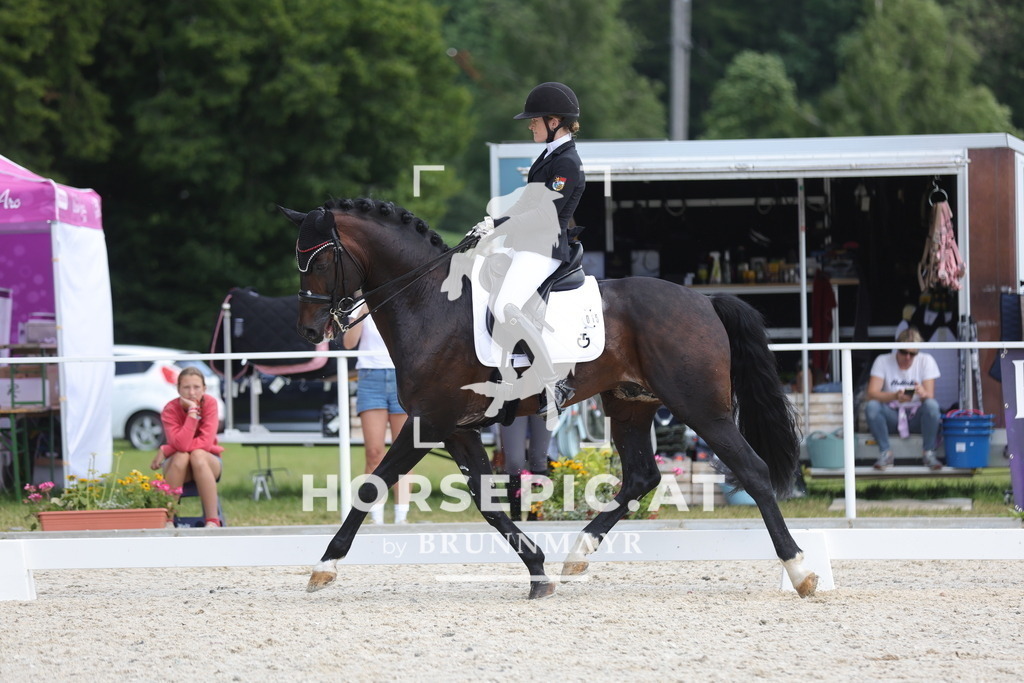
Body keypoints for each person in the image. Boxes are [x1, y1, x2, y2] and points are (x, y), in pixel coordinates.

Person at [488, 81, 587, 418]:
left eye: (535, 120)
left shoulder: (567, 164)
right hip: (524, 246)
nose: (530, 124)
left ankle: (553, 382)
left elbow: (546, 213)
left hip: (543, 248)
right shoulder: (548, 158)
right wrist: (490, 225)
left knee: (506, 304)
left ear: (554, 121)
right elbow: (525, 205)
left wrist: (497, 226)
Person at [344, 303, 410, 524]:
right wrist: (361, 313)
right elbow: (349, 343)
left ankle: (402, 518)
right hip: (370, 377)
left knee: (404, 453)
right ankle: (376, 517)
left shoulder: (402, 296)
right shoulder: (359, 306)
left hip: (402, 375)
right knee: (374, 452)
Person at [150, 366, 224, 527]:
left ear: (204, 388)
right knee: (182, 456)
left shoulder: (210, 404)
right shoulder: (170, 409)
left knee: (197, 454)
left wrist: (166, 449)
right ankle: (167, 520)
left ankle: (212, 521)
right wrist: (192, 413)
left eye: (196, 387)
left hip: (208, 464)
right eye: (186, 387)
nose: (192, 393)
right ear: (178, 389)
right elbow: (182, 446)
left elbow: (205, 443)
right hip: (178, 466)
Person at [865, 327, 942, 470]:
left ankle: (929, 453)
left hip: (916, 416)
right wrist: (894, 396)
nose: (907, 357)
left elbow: (930, 396)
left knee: (932, 405)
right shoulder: (882, 360)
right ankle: (885, 453)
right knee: (872, 406)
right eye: (903, 352)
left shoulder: (926, 360)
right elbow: (871, 393)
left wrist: (922, 393)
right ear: (896, 348)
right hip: (892, 415)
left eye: (912, 354)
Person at [500, 415, 552, 521]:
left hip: (544, 400)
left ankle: (534, 515)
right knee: (514, 462)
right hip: (514, 401)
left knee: (539, 458)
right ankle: (515, 517)